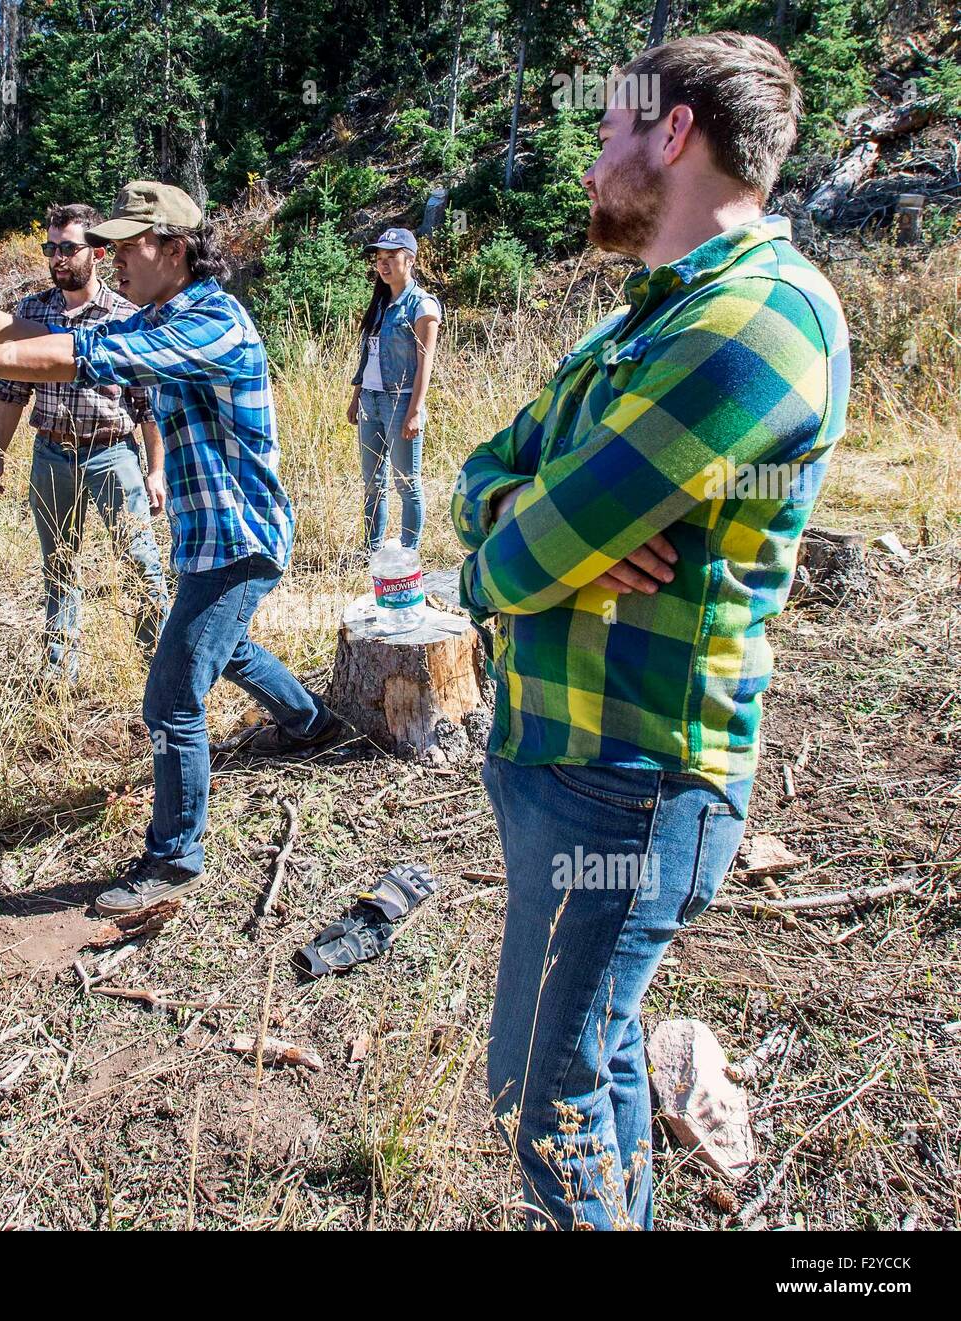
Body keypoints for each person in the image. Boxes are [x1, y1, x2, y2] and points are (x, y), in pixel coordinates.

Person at [450, 32, 849, 1229]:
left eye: (608, 131)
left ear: (671, 134)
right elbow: (486, 479)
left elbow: (509, 556)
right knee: (600, 1040)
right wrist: (529, 514)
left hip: (633, 778)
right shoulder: (645, 317)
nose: (589, 166)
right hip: (563, 750)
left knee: (538, 1073)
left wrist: (517, 538)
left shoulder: (761, 321)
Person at [0, 181, 345, 916]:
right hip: (211, 537)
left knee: (172, 699)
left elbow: (72, 358)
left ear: (174, 249)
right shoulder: (163, 313)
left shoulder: (211, 323)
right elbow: (46, 341)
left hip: (241, 541)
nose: (111, 259)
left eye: (126, 246)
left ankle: (176, 857)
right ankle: (312, 722)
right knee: (223, 646)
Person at [0, 202, 168, 679]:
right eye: (51, 248)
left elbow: (149, 403)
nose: (58, 258)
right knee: (59, 563)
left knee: (138, 559)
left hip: (111, 452)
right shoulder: (32, 311)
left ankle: (162, 665)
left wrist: (155, 470)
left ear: (97, 252)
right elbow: (11, 390)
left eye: (69, 248)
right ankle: (59, 669)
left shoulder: (125, 313)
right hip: (51, 451)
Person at [347, 227, 441, 552]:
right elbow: (367, 356)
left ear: (410, 260)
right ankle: (372, 552)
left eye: (391, 257)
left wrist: (414, 411)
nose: (384, 265)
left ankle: (407, 554)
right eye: (379, 259)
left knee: (407, 483)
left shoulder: (423, 305)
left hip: (400, 402)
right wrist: (355, 397)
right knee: (372, 483)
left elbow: (424, 363)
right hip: (370, 402)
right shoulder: (380, 303)